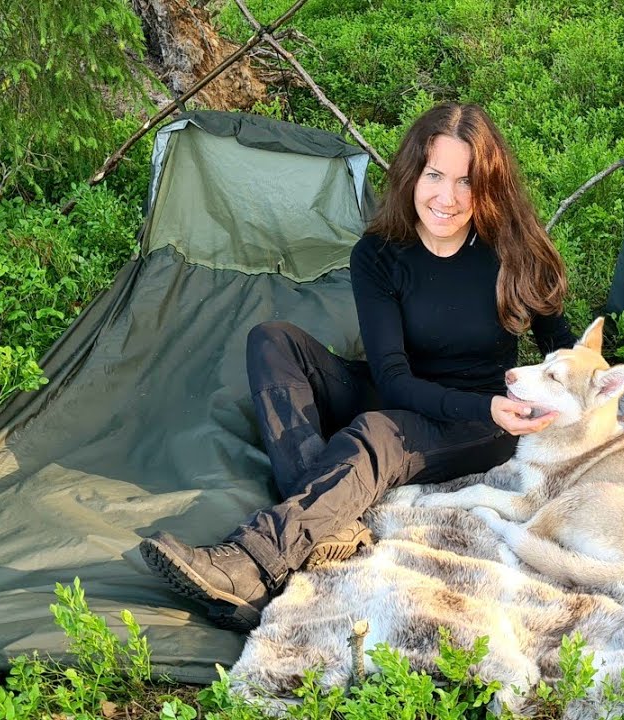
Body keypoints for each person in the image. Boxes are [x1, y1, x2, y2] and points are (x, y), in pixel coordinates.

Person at [140, 103, 578, 632]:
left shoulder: (513, 248)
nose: (447, 197)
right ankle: (328, 529)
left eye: (466, 181)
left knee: (376, 432)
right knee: (272, 340)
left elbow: (566, 348)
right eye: (435, 175)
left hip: (479, 419)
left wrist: (603, 399)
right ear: (412, 174)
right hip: (401, 391)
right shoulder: (379, 252)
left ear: (487, 186)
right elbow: (392, 377)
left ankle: (253, 561)